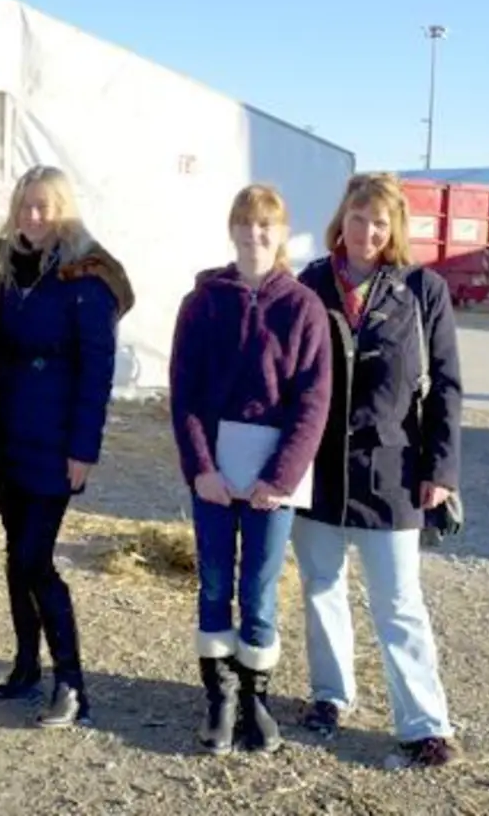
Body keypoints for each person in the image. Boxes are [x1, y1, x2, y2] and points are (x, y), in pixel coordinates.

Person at [293, 172, 463, 769]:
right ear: (342, 221)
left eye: (381, 221)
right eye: (358, 218)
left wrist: (440, 468)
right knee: (321, 588)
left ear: (395, 230)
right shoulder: (310, 283)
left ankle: (423, 723)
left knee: (398, 603)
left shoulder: (422, 290)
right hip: (315, 472)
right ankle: (329, 696)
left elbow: (446, 386)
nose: (368, 231)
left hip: (392, 472)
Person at [169, 184, 332, 754]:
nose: (255, 234)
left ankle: (255, 696)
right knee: (214, 581)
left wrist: (280, 478)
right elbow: (184, 392)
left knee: (259, 588)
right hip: (214, 471)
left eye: (266, 225)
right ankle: (219, 697)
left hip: (272, 476)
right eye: (245, 223)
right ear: (232, 229)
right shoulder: (204, 303)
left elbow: (314, 401)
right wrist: (201, 468)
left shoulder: (304, 307)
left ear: (282, 233)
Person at [0, 165, 135, 729]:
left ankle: (72, 683)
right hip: (7, 434)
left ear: (64, 211)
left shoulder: (85, 279)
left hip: (54, 441)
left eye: (44, 207)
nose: (33, 217)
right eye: (25, 206)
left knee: (33, 559)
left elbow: (98, 372)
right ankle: (25, 665)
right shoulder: (11, 272)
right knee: (15, 556)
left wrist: (83, 448)